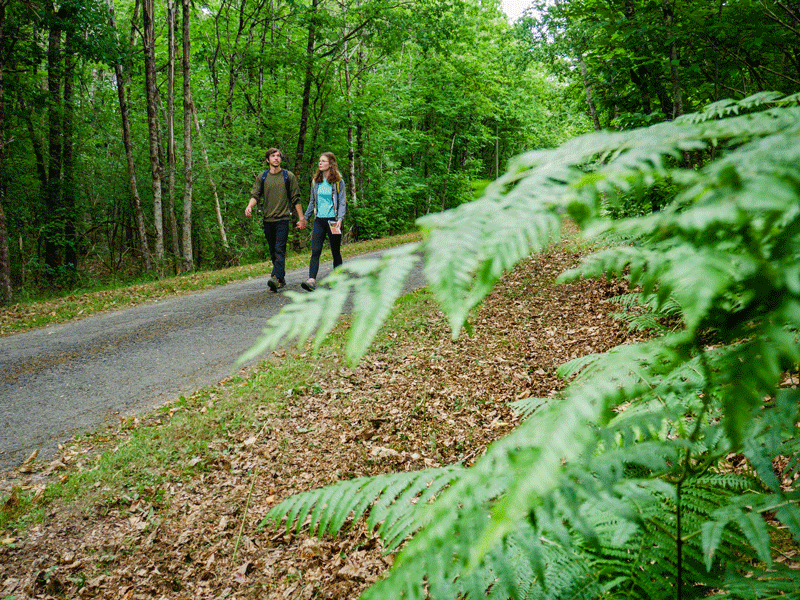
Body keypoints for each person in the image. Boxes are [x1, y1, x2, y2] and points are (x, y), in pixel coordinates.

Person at [244, 148, 306, 292]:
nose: (276, 158)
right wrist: (249, 206)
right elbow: (255, 195)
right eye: (273, 156)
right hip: (268, 219)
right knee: (273, 250)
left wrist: (301, 217)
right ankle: (281, 278)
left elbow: (295, 198)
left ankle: (275, 277)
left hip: (283, 219)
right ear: (268, 160)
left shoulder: (288, 176)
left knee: (279, 249)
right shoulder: (262, 177)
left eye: (278, 156)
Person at [302, 152, 347, 292]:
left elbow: (342, 202)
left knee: (335, 251)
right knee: (315, 250)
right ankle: (311, 280)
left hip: (334, 221)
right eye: (319, 161)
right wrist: (305, 217)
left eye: (323, 161)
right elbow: (312, 202)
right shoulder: (316, 181)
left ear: (330, 164)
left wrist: (340, 219)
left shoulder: (338, 181)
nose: (320, 163)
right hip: (319, 220)